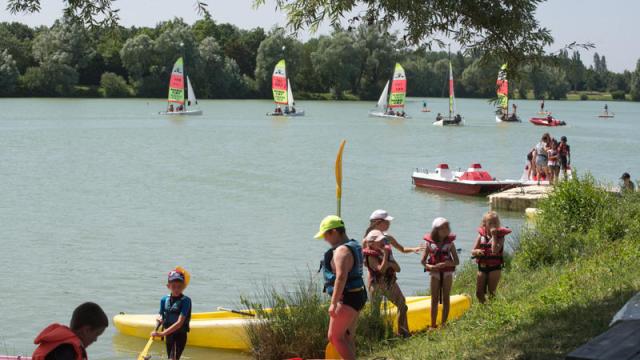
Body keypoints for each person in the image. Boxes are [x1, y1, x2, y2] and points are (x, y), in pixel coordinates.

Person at [362, 210, 420, 337]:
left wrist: (413, 249)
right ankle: (394, 334)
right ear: (378, 222)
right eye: (387, 221)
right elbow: (366, 262)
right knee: (388, 308)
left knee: (398, 305)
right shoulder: (367, 241)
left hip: (384, 278)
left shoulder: (387, 238)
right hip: (378, 279)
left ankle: (400, 332)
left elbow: (402, 249)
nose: (389, 223)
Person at [316, 215, 367, 360]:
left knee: (335, 337)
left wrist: (333, 303)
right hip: (358, 295)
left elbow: (341, 277)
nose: (325, 239)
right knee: (347, 337)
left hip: (347, 298)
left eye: (326, 235)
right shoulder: (354, 245)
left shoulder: (341, 251)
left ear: (334, 231)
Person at [32, 302, 108, 360]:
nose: (95, 340)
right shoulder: (67, 350)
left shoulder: (65, 344)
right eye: (96, 334)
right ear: (86, 330)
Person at [421, 217, 459, 329]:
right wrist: (431, 266)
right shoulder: (429, 244)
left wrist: (447, 264)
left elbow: (456, 261)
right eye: (443, 227)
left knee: (446, 298)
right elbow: (423, 261)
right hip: (434, 274)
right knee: (434, 299)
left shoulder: (450, 244)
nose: (447, 229)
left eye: (447, 227)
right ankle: (433, 325)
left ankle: (443, 324)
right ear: (436, 229)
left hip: (447, 274)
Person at [152, 268, 192, 360]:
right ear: (168, 286)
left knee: (173, 358)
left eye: (180, 286)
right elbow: (161, 315)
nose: (177, 289)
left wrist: (162, 334)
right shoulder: (164, 300)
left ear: (184, 286)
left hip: (180, 335)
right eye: (174, 286)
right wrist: (159, 320)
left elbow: (179, 323)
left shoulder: (186, 301)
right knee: (170, 357)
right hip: (169, 336)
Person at [471, 212, 511, 303]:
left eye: (496, 223)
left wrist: (494, 236)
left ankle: (492, 310)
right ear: (485, 225)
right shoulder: (481, 236)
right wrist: (477, 251)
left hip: (494, 268)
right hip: (482, 267)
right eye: (491, 223)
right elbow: (473, 251)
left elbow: (495, 250)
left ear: (499, 224)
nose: (493, 225)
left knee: (491, 292)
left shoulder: (500, 237)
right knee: (479, 293)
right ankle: (484, 307)